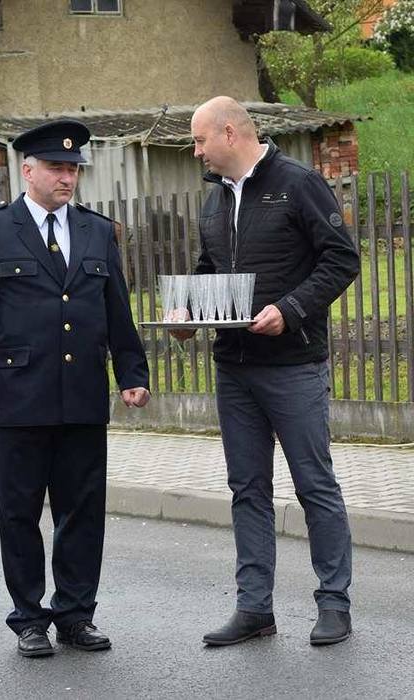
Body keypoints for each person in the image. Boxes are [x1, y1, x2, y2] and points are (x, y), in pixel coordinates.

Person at [0, 119, 150, 657]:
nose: (67, 178)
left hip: (83, 392)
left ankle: (76, 615)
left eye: (73, 169)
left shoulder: (95, 230)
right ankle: (29, 619)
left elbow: (116, 307)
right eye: (57, 168)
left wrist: (132, 373)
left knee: (82, 510)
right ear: (28, 170)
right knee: (19, 512)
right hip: (20, 396)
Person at [171, 96, 360, 647]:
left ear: (230, 133)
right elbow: (211, 270)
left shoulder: (298, 183)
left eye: (200, 140)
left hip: (293, 365)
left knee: (314, 485)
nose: (196, 151)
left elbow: (342, 259)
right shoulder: (214, 199)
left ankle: (334, 603)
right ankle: (254, 608)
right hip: (234, 368)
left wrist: (291, 309)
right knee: (247, 489)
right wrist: (187, 313)